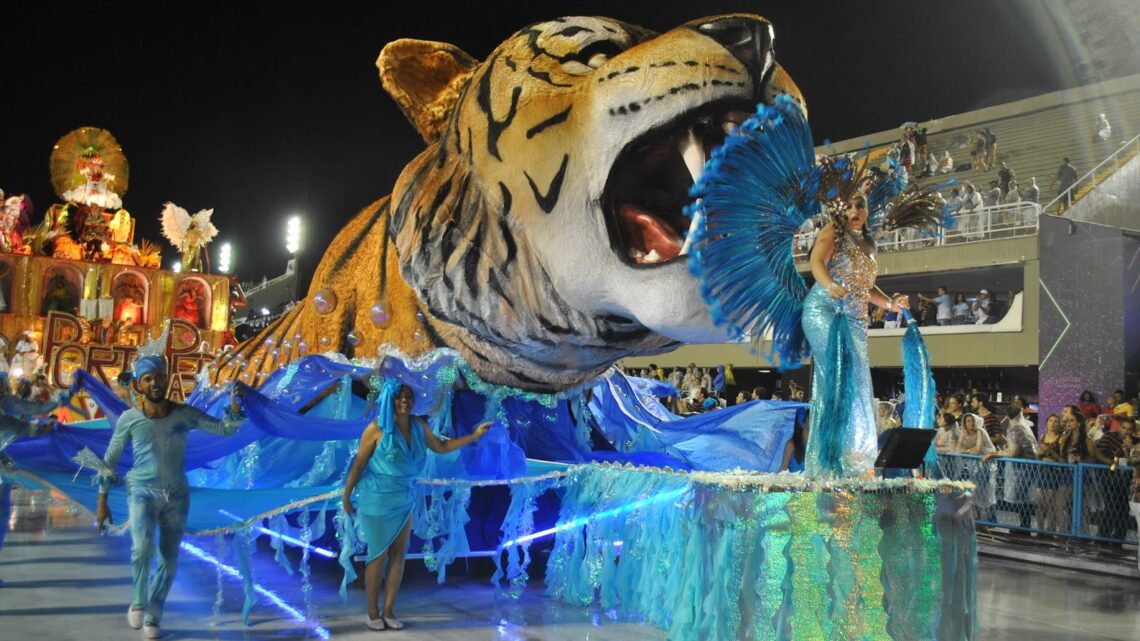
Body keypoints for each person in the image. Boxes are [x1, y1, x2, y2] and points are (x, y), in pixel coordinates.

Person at [95, 355, 246, 639]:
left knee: (169, 556)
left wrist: (235, 410)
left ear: (167, 380)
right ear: (139, 386)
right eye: (147, 379)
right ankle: (138, 601)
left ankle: (153, 615)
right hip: (141, 492)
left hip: (176, 496)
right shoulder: (130, 419)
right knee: (141, 549)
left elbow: (223, 429)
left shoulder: (184, 414)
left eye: (158, 377)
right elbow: (109, 460)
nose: (154, 383)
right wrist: (102, 500)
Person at [342, 381, 490, 630]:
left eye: (408, 396)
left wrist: (474, 436)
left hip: (405, 497)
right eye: (399, 396)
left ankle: (388, 610)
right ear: (389, 399)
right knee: (377, 555)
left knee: (399, 554)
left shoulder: (419, 425)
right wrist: (347, 496)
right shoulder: (375, 429)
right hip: (377, 497)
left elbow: (441, 447)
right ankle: (372, 612)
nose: (404, 400)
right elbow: (358, 464)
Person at [802, 193, 909, 477]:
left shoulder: (871, 244)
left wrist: (890, 304)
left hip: (856, 319)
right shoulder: (833, 232)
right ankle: (831, 462)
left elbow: (866, 288)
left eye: (860, 205)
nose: (854, 211)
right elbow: (816, 263)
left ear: (867, 210)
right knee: (840, 378)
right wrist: (829, 286)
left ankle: (857, 460)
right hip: (826, 311)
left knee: (860, 383)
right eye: (848, 206)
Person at [983, 406, 1038, 529]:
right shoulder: (1023, 426)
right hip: (1028, 465)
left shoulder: (1015, 428)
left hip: (1023, 467)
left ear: (1007, 415)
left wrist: (993, 453)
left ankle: (1023, 527)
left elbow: (1012, 452)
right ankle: (1024, 526)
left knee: (1022, 499)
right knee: (1024, 498)